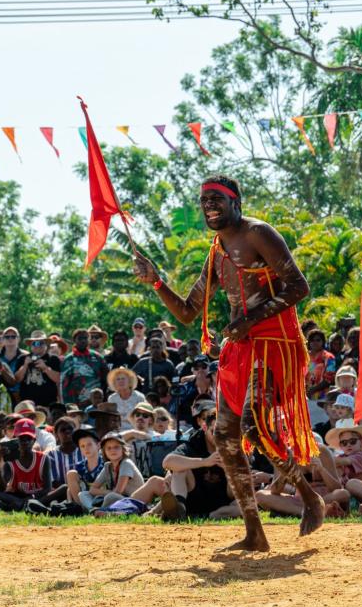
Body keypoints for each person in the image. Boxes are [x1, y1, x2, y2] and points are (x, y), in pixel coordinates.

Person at [134, 173, 318, 550]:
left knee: (253, 426)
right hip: (240, 348)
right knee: (224, 436)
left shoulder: (258, 234)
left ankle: (308, 496)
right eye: (205, 202)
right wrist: (156, 282)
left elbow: (299, 286)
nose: (210, 207)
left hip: (271, 344)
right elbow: (187, 312)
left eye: (217, 200)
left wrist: (249, 321)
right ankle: (254, 531)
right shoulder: (216, 251)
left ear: (236, 201)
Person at [59, 329, 107, 406]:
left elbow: (105, 379)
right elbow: (63, 385)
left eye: (85, 338)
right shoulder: (68, 359)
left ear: (89, 340)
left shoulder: (98, 357)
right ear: (74, 340)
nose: (83, 341)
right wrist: (68, 405)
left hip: (96, 403)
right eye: (80, 338)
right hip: (75, 403)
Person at [16, 331, 62, 409]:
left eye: (41, 343)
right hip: (27, 405)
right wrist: (25, 365)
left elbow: (58, 379)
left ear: (46, 345)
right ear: (30, 345)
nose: (38, 345)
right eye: (34, 343)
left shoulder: (53, 359)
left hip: (48, 404)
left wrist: (46, 368)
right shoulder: (22, 358)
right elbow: (17, 379)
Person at [64, 427, 105, 512]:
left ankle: (94, 510)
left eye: (89, 444)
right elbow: (71, 489)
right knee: (71, 473)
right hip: (85, 497)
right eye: (82, 446)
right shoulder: (80, 466)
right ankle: (81, 508)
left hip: (103, 497)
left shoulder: (106, 464)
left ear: (98, 445)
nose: (86, 448)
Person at [0, 327, 29, 403]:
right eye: (7, 337)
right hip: (0, 396)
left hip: (22, 396)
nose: (10, 339)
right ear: (3, 339)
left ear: (18, 339)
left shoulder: (26, 355)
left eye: (13, 336)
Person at [304, 329, 337, 401]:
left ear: (323, 342)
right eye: (312, 340)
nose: (315, 342)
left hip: (322, 397)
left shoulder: (329, 357)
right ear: (309, 342)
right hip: (305, 396)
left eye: (318, 340)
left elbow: (329, 379)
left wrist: (313, 390)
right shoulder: (304, 357)